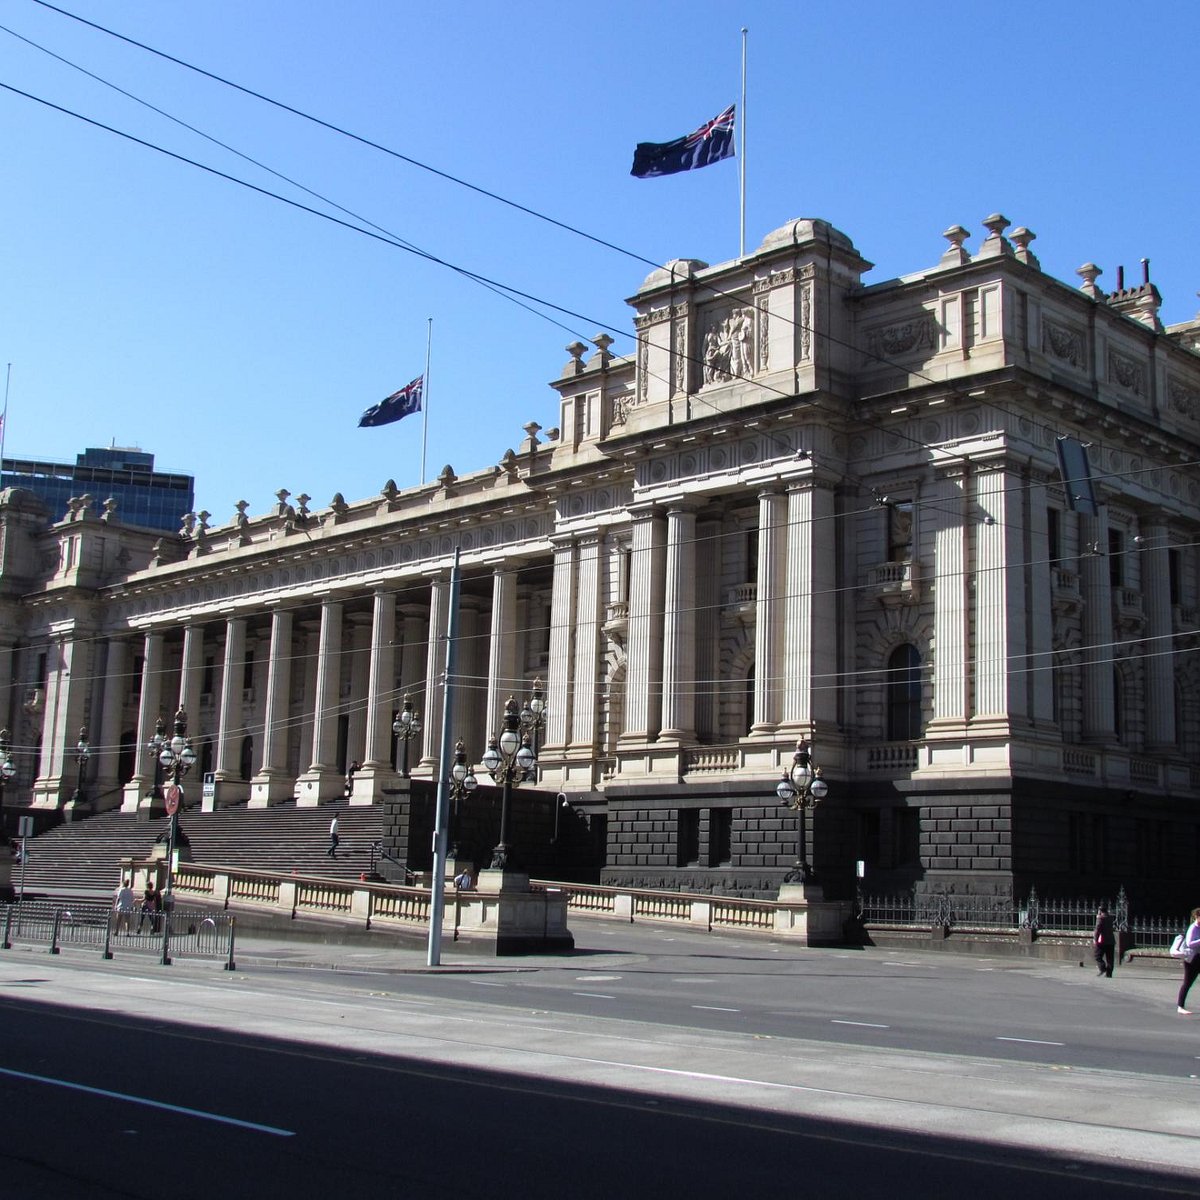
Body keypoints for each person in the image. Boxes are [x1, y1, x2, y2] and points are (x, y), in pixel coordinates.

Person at [1176, 907, 1200, 1014]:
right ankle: (1180, 1006)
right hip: (1192, 959)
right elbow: (1189, 943)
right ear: (1197, 917)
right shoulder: (1193, 928)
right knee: (1187, 982)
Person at [1093, 903, 1115, 978]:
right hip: (1111, 940)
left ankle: (1103, 968)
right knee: (1110, 958)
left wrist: (1095, 940)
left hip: (1102, 941)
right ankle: (1109, 973)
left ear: (1100, 911)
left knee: (1097, 956)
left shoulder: (1100, 918)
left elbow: (1097, 930)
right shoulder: (1110, 918)